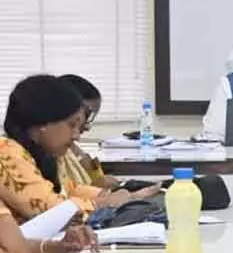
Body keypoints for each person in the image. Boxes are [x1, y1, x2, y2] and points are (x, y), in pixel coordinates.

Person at [0, 75, 140, 222]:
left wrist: (125, 197)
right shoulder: (6, 152)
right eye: (72, 125)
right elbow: (48, 210)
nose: (76, 136)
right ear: (43, 122)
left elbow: (67, 190)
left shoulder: (40, 153)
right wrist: (104, 203)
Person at [57, 74, 120, 192]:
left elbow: (95, 179)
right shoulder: (51, 152)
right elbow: (64, 198)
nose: (87, 127)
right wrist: (96, 189)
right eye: (87, 116)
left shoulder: (69, 149)